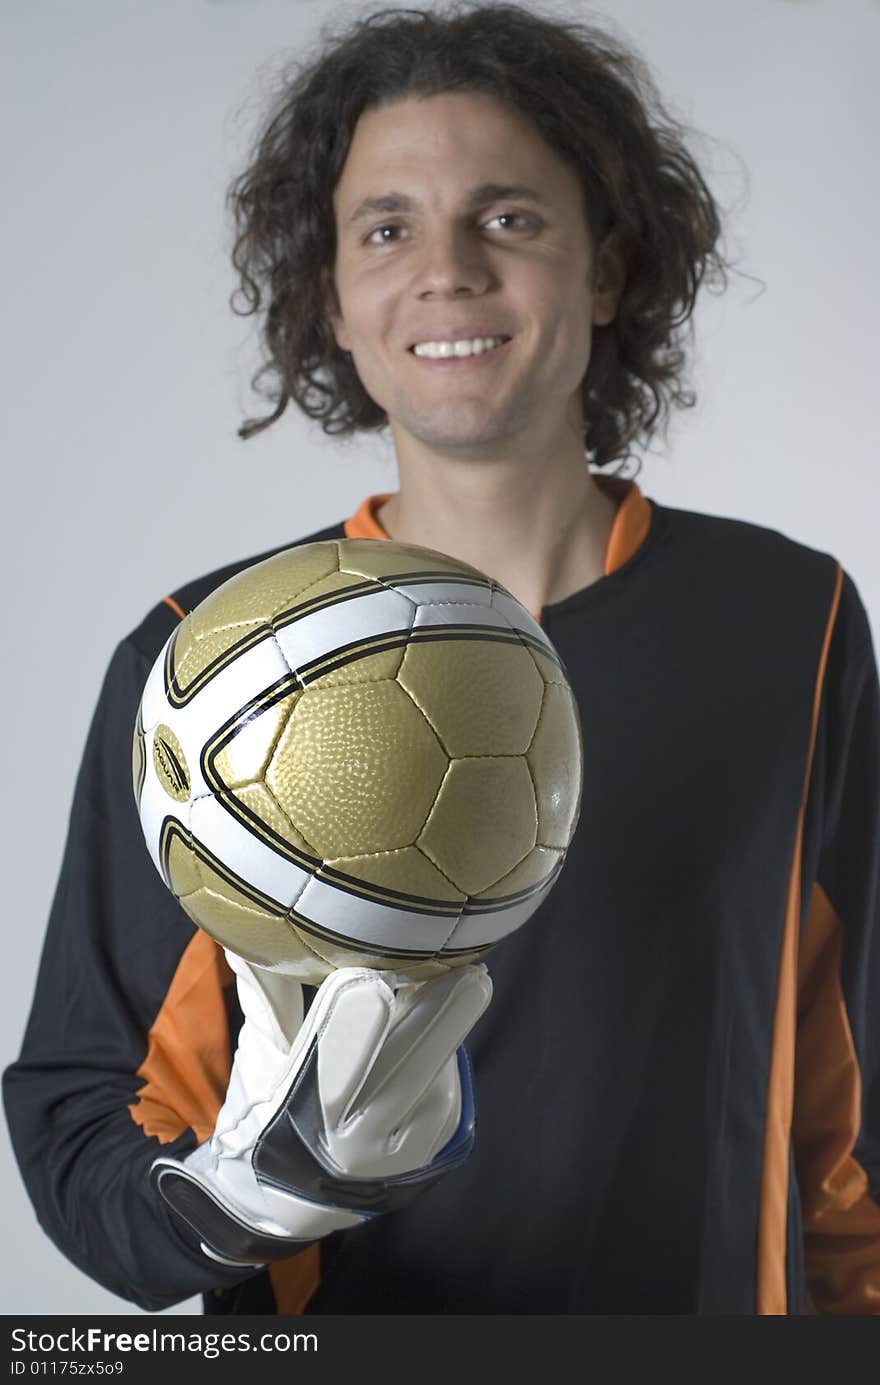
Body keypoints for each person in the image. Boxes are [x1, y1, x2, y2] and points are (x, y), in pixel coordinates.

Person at [4, 2, 879, 1316]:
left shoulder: (787, 618)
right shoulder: (207, 664)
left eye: (510, 217)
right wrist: (240, 1201)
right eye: (387, 227)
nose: (449, 268)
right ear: (337, 302)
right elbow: (82, 1117)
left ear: (607, 269)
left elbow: (853, 1103)